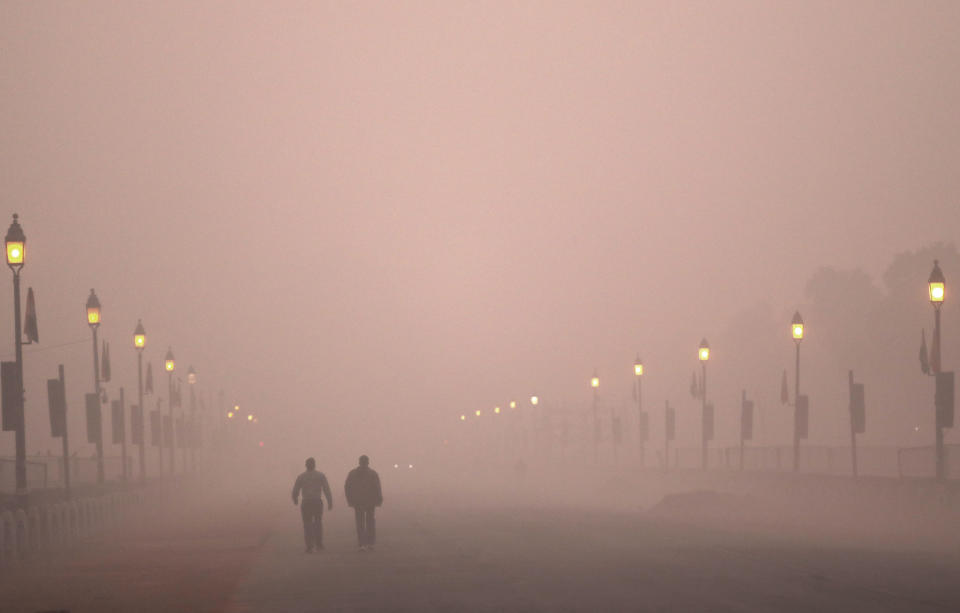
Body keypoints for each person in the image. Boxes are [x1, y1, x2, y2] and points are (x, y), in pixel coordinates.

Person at [291, 457, 333, 553]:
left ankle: (309, 545)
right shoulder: (320, 476)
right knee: (318, 523)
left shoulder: (301, 476)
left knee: (307, 524)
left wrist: (295, 499)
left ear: (306, 465)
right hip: (317, 502)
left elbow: (296, 489)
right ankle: (319, 544)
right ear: (314, 465)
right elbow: (326, 489)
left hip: (306, 502)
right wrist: (329, 501)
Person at [344, 454, 382, 552]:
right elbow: (377, 487)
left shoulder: (352, 473)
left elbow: (347, 487)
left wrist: (350, 499)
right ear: (368, 462)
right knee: (370, 522)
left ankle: (362, 544)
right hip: (370, 501)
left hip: (358, 501)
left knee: (360, 522)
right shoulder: (373, 473)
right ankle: (370, 543)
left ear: (359, 462)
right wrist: (379, 499)